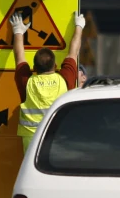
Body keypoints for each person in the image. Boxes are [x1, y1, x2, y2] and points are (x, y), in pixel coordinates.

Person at [14, 10, 85, 152]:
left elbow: (19, 56)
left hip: (31, 139)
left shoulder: (27, 82)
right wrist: (79, 27)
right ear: (56, 65)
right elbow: (74, 52)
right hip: (58, 136)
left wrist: (18, 31)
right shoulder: (65, 79)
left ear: (34, 68)